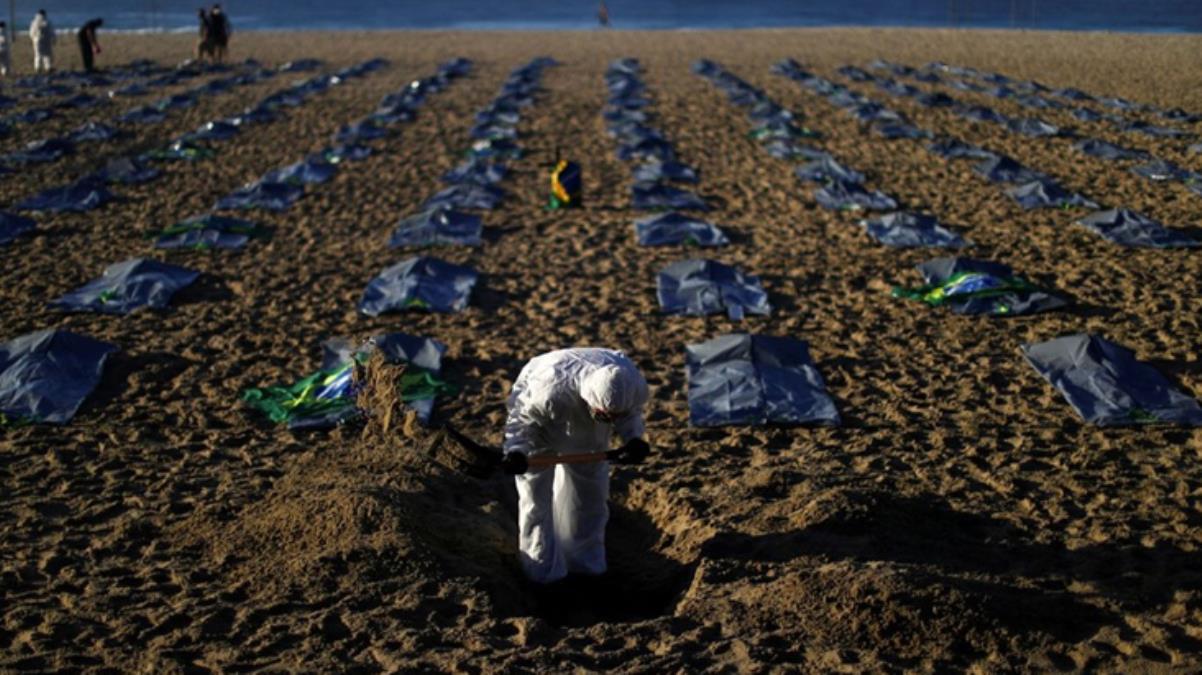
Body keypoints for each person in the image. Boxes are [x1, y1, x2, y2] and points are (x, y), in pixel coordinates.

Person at [502, 348, 651, 584]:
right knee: (535, 497)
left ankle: (585, 566)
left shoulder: (631, 382)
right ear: (590, 401)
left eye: (613, 417)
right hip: (540, 428)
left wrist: (633, 439)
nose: (611, 421)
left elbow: (629, 413)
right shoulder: (548, 390)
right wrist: (517, 451)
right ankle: (542, 572)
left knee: (589, 496)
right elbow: (521, 422)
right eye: (605, 417)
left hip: (587, 435)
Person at [29, 10, 55, 74]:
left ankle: (38, 68)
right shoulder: (47, 22)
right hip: (46, 40)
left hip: (37, 41)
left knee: (38, 55)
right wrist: (54, 39)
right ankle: (48, 68)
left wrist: (33, 39)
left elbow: (31, 32)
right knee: (47, 55)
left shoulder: (34, 22)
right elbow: (52, 32)